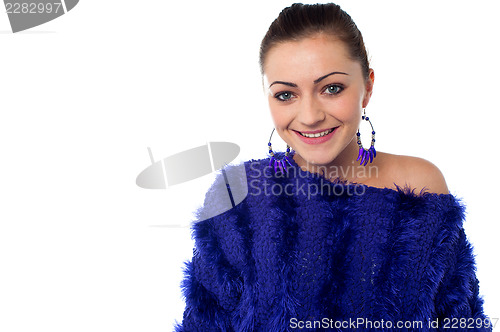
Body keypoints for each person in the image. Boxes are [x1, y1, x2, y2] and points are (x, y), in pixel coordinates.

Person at [174, 3, 491, 331]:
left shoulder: (418, 187)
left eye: (332, 88)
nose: (310, 115)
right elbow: (204, 323)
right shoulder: (239, 197)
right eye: (286, 95)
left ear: (367, 87)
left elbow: (461, 320)